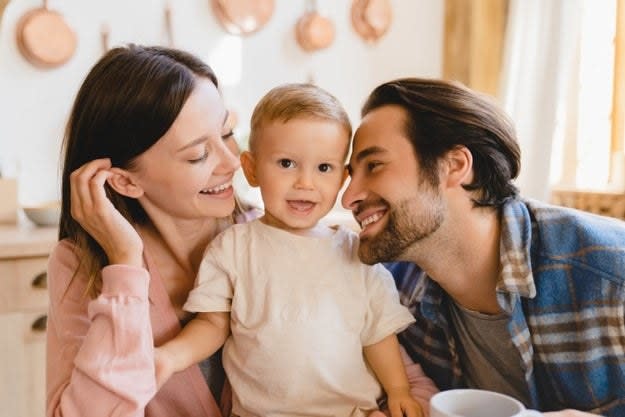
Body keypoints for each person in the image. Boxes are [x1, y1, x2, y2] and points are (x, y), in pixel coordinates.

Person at [340, 77, 625, 417]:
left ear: (456, 166)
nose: (348, 197)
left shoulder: (611, 276)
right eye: (349, 173)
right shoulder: (388, 293)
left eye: (374, 166)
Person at [155, 83, 438, 417]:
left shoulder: (357, 254)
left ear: (342, 179)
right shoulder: (233, 247)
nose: (306, 183)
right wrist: (170, 357)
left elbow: (377, 333)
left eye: (323, 168)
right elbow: (213, 325)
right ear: (251, 169)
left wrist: (398, 390)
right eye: (287, 163)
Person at [46, 44, 258, 417]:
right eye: (198, 155)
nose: (231, 163)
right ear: (125, 182)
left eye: (227, 133)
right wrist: (124, 267)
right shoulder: (82, 265)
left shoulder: (264, 236)